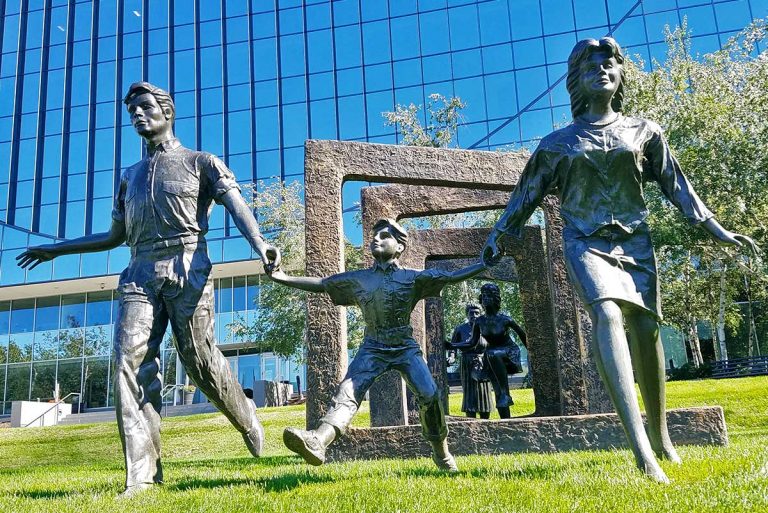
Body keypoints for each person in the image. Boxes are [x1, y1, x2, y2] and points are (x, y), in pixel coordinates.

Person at [481, 38, 757, 483]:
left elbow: (677, 187)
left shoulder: (645, 131)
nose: (602, 71)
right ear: (576, 80)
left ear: (621, 74)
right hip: (584, 243)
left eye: (610, 64)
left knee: (646, 329)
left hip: (636, 244)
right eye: (591, 67)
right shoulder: (557, 143)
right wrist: (498, 236)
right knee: (607, 313)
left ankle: (662, 436)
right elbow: (524, 196)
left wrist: (717, 229)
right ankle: (641, 451)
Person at [16, 82, 281, 496]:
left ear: (167, 112)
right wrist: (57, 249)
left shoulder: (201, 162)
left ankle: (245, 415)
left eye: (145, 107)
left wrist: (260, 243)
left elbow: (236, 205)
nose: (138, 115)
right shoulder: (129, 177)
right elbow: (112, 236)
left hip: (186, 264)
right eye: (133, 111)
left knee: (200, 362)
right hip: (138, 271)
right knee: (129, 363)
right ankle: (142, 476)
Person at [266, 218, 487, 472]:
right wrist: (281, 276)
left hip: (405, 347)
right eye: (374, 235)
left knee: (430, 395)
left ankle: (442, 453)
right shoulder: (359, 279)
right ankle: (318, 440)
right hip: (372, 347)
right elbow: (322, 284)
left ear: (400, 247)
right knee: (347, 391)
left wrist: (483, 263)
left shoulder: (413, 278)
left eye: (384, 236)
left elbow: (450, 277)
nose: (376, 239)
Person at [469, 284, 527, 419]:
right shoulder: (479, 321)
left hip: (509, 352)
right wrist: (451, 345)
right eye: (483, 296)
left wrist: (534, 353)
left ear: (495, 299)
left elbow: (522, 335)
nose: (485, 299)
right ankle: (505, 419)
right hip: (492, 357)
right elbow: (472, 342)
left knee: (491, 353)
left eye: (488, 296)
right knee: (497, 389)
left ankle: (505, 394)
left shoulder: (505, 319)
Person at [446, 303, 493, 419]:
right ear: (467, 314)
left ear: (481, 314)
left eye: (477, 313)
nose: (474, 315)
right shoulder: (460, 329)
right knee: (469, 393)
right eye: (471, 313)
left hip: (483, 361)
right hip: (467, 362)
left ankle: (485, 418)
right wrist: (451, 357)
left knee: (484, 392)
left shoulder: (486, 328)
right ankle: (470, 419)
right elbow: (453, 348)